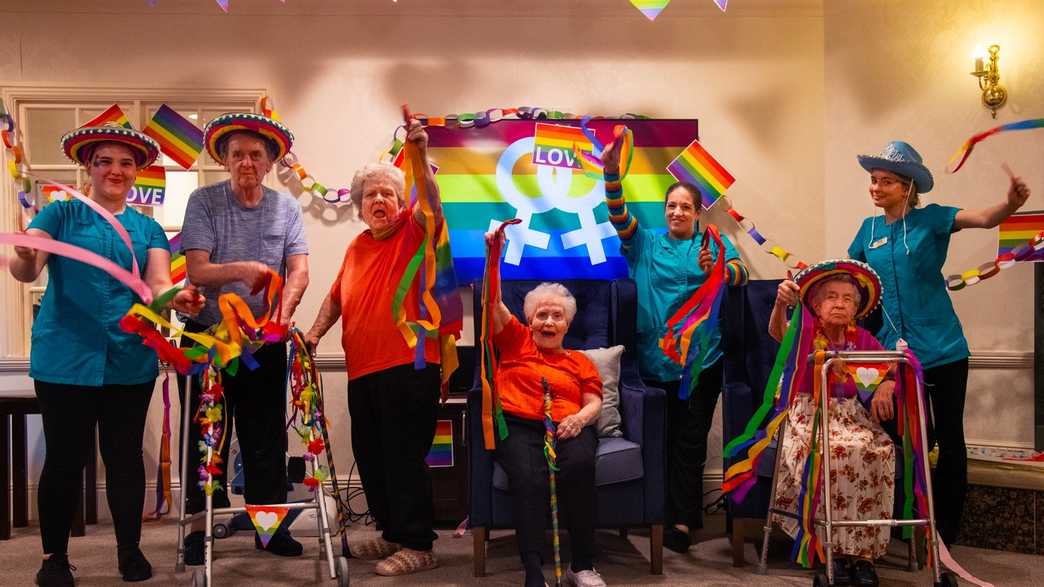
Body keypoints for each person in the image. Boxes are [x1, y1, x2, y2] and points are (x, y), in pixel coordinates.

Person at [9, 123, 204, 586]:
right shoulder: (59, 215)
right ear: (89, 167)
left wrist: (176, 299)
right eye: (105, 161)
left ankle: (129, 551)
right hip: (65, 360)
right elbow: (25, 269)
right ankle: (53, 557)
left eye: (125, 163)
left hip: (127, 358)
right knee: (64, 460)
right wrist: (21, 252)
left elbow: (157, 287)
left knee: (124, 459)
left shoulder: (148, 228)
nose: (115, 170)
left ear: (137, 172)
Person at [846, 141, 1030, 545]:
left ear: (908, 187)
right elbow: (856, 284)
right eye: (873, 181)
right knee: (898, 436)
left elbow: (983, 218)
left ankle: (946, 529)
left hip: (943, 348)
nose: (876, 188)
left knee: (948, 436)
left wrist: (1009, 204)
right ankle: (900, 522)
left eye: (886, 182)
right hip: (893, 354)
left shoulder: (933, 219)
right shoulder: (868, 229)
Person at [304, 116, 451, 576]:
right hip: (362, 369)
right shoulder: (355, 248)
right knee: (371, 456)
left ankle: (419, 543)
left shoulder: (414, 230)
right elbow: (335, 299)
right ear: (360, 207)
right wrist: (312, 335)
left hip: (409, 364)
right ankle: (391, 532)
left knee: (404, 456)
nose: (380, 200)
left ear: (400, 200)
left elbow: (430, 202)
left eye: (388, 192)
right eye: (371, 195)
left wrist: (419, 153)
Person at [600, 134, 750, 551]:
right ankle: (657, 514)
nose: (678, 211)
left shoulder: (714, 243)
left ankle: (683, 521)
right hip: (653, 359)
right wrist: (611, 174)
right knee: (657, 440)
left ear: (698, 211)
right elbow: (618, 215)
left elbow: (742, 276)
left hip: (703, 361)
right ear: (664, 211)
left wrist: (719, 268)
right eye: (672, 206)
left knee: (690, 441)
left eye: (686, 206)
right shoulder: (644, 241)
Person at [178, 112, 309, 563]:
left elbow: (299, 270)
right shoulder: (204, 201)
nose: (247, 162)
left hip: (262, 342)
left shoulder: (287, 207)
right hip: (206, 337)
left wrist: (282, 312)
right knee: (205, 437)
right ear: (225, 160)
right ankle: (197, 533)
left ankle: (268, 530)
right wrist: (244, 269)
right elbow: (197, 269)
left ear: (270, 161)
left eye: (256, 154)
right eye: (237, 154)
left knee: (266, 437)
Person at [769, 260, 896, 586]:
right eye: (831, 297)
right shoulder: (806, 330)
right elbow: (778, 333)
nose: (840, 303)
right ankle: (833, 552)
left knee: (880, 448)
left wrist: (886, 384)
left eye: (848, 298)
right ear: (815, 304)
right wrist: (782, 303)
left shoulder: (864, 338)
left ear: (856, 308)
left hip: (852, 416)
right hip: (808, 415)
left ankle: (863, 556)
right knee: (833, 450)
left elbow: (891, 368)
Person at [485, 261, 606, 587]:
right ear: (529, 320)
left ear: (567, 324)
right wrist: (491, 257)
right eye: (542, 315)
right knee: (528, 477)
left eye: (557, 316)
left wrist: (579, 419)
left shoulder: (581, 361)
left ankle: (581, 565)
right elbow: (493, 302)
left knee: (580, 465)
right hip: (518, 424)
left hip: (569, 424)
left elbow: (594, 402)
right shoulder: (515, 340)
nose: (548, 321)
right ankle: (534, 568)